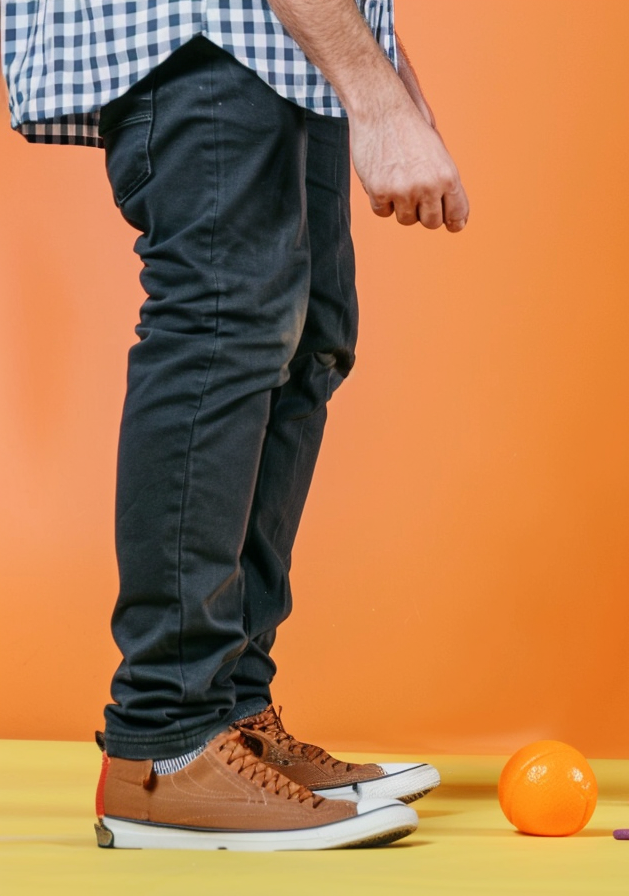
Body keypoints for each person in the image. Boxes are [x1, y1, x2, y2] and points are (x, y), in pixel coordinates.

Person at [3, 0, 468, 850]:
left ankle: (231, 716)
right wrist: (379, 99)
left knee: (308, 342)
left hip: (296, 45)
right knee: (222, 323)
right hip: (203, 30)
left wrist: (388, 75)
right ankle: (166, 743)